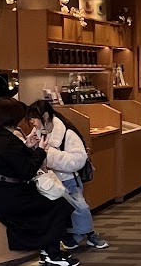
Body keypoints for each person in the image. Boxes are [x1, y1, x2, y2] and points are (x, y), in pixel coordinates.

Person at [0, 97, 78, 266]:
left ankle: (49, 252)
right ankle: (53, 255)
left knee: (50, 205)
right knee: (56, 205)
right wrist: (40, 150)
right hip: (9, 198)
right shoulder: (8, 142)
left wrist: (27, 146)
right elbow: (27, 171)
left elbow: (13, 164)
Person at [29, 99, 109, 252]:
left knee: (79, 207)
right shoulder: (37, 131)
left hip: (68, 178)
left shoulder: (66, 132)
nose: (31, 121)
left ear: (44, 116)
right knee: (62, 210)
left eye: (34, 117)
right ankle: (71, 237)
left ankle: (90, 234)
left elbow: (78, 159)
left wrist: (48, 155)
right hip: (49, 179)